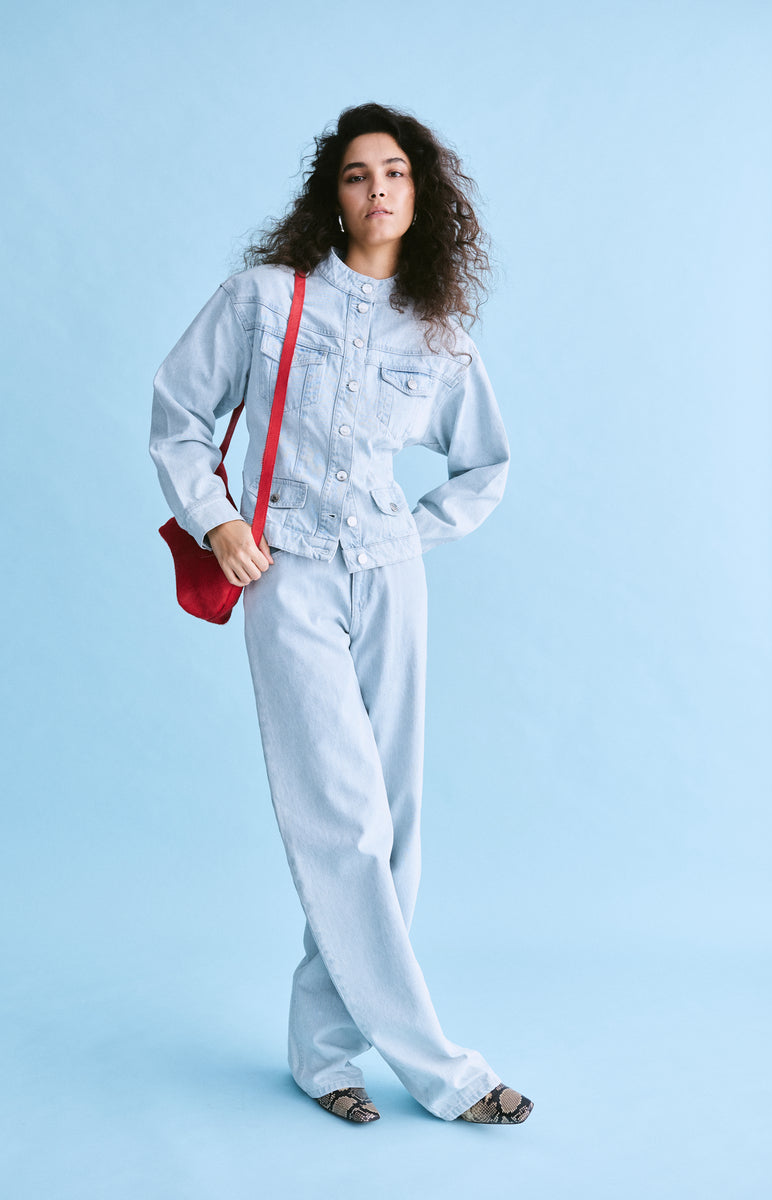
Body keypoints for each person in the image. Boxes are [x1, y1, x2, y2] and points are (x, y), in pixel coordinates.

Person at [149, 102, 533, 1127]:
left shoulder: (437, 334)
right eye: (359, 174)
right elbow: (177, 416)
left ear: (421, 195)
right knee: (342, 822)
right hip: (288, 575)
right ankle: (444, 1072)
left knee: (393, 831)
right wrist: (217, 518)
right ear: (333, 194)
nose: (378, 189)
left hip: (390, 577)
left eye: (395, 173)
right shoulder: (262, 300)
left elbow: (486, 464)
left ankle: (321, 1054)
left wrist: (417, 530)